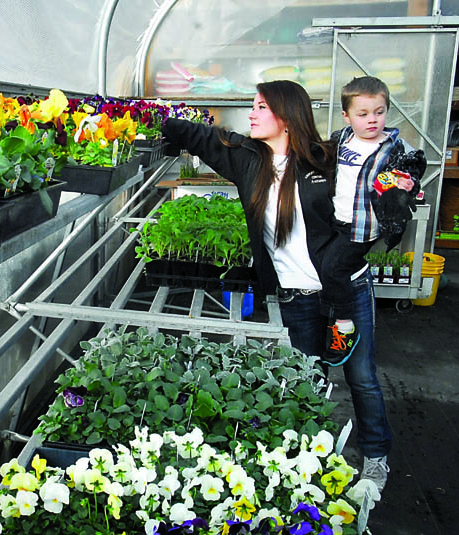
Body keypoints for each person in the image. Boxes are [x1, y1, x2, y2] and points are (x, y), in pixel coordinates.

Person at [160, 79, 392, 492]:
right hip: (294, 296)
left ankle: (376, 459)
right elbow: (199, 136)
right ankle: (311, 455)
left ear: (285, 116)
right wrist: (152, 120)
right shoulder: (247, 159)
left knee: (362, 377)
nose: (251, 113)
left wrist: (397, 193)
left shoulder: (326, 159)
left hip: (346, 290)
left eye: (260, 106)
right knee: (308, 376)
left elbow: (369, 195)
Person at [322, 76, 425, 366]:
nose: (372, 120)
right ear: (347, 115)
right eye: (363, 114)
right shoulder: (341, 139)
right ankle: (331, 316)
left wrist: (409, 185)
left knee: (334, 268)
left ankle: (344, 327)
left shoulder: (393, 148)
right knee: (325, 265)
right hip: (335, 220)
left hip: (362, 227)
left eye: (379, 112)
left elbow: (411, 174)